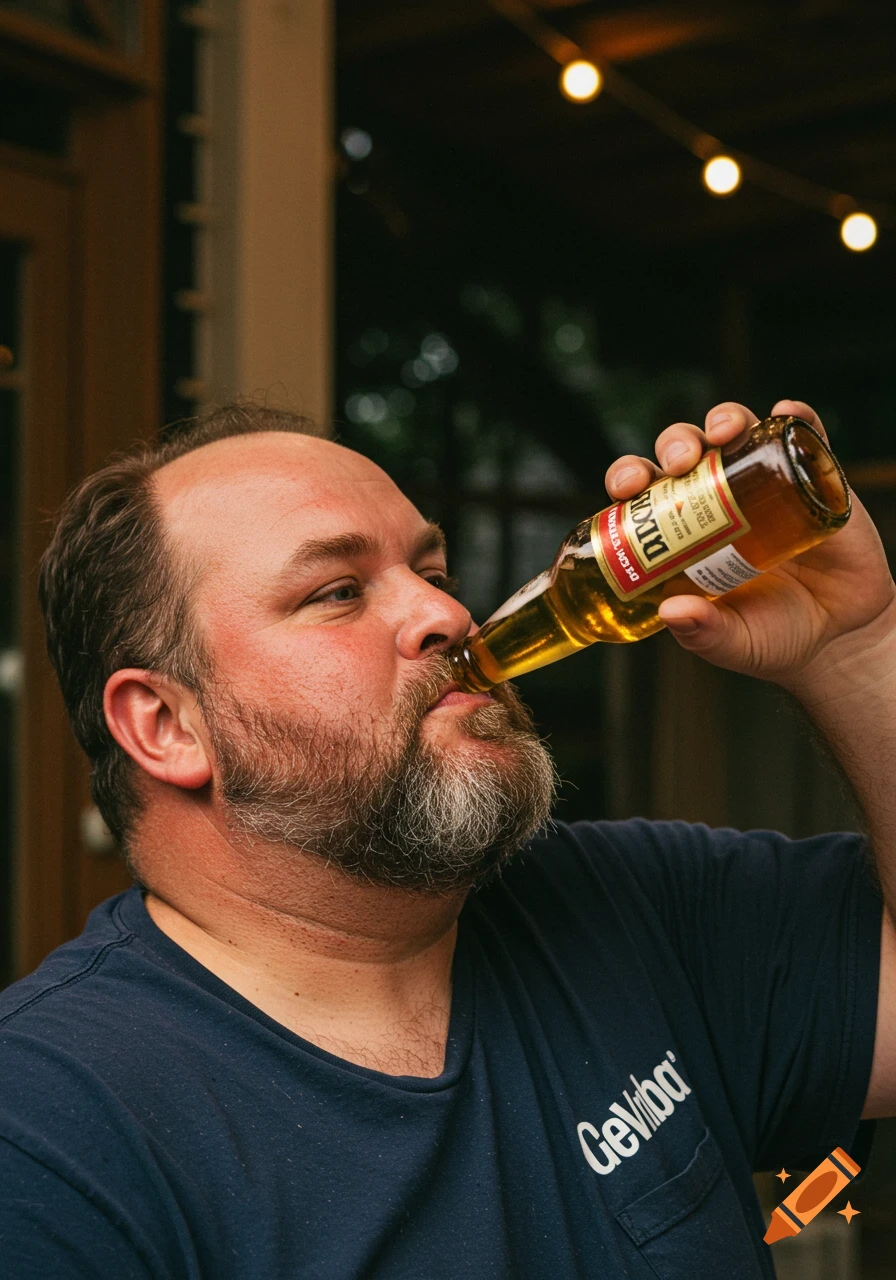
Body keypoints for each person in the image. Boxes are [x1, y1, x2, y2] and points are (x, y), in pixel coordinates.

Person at [1, 397, 894, 1279]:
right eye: (338, 591)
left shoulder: (631, 905)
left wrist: (857, 652)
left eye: (436, 573)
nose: (448, 616)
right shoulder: (47, 1133)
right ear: (166, 725)